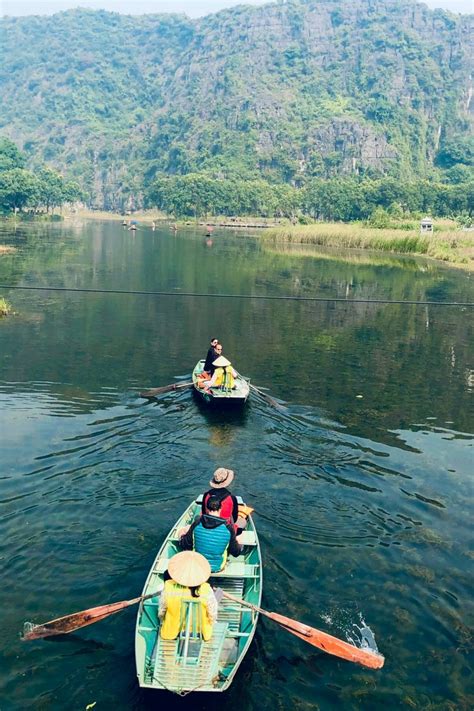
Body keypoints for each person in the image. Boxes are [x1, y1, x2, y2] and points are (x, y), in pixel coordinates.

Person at [159, 551, 218, 641]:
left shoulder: (168, 586)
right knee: (218, 595)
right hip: (201, 633)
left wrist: (162, 620)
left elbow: (161, 612)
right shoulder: (206, 589)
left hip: (172, 632)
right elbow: (212, 615)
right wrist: (211, 623)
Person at [179, 495, 243, 572]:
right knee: (236, 540)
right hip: (218, 568)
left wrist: (181, 535)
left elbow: (186, 545)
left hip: (198, 566)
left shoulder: (197, 523)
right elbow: (235, 552)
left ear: (206, 509)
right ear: (220, 509)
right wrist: (239, 544)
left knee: (183, 531)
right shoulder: (228, 528)